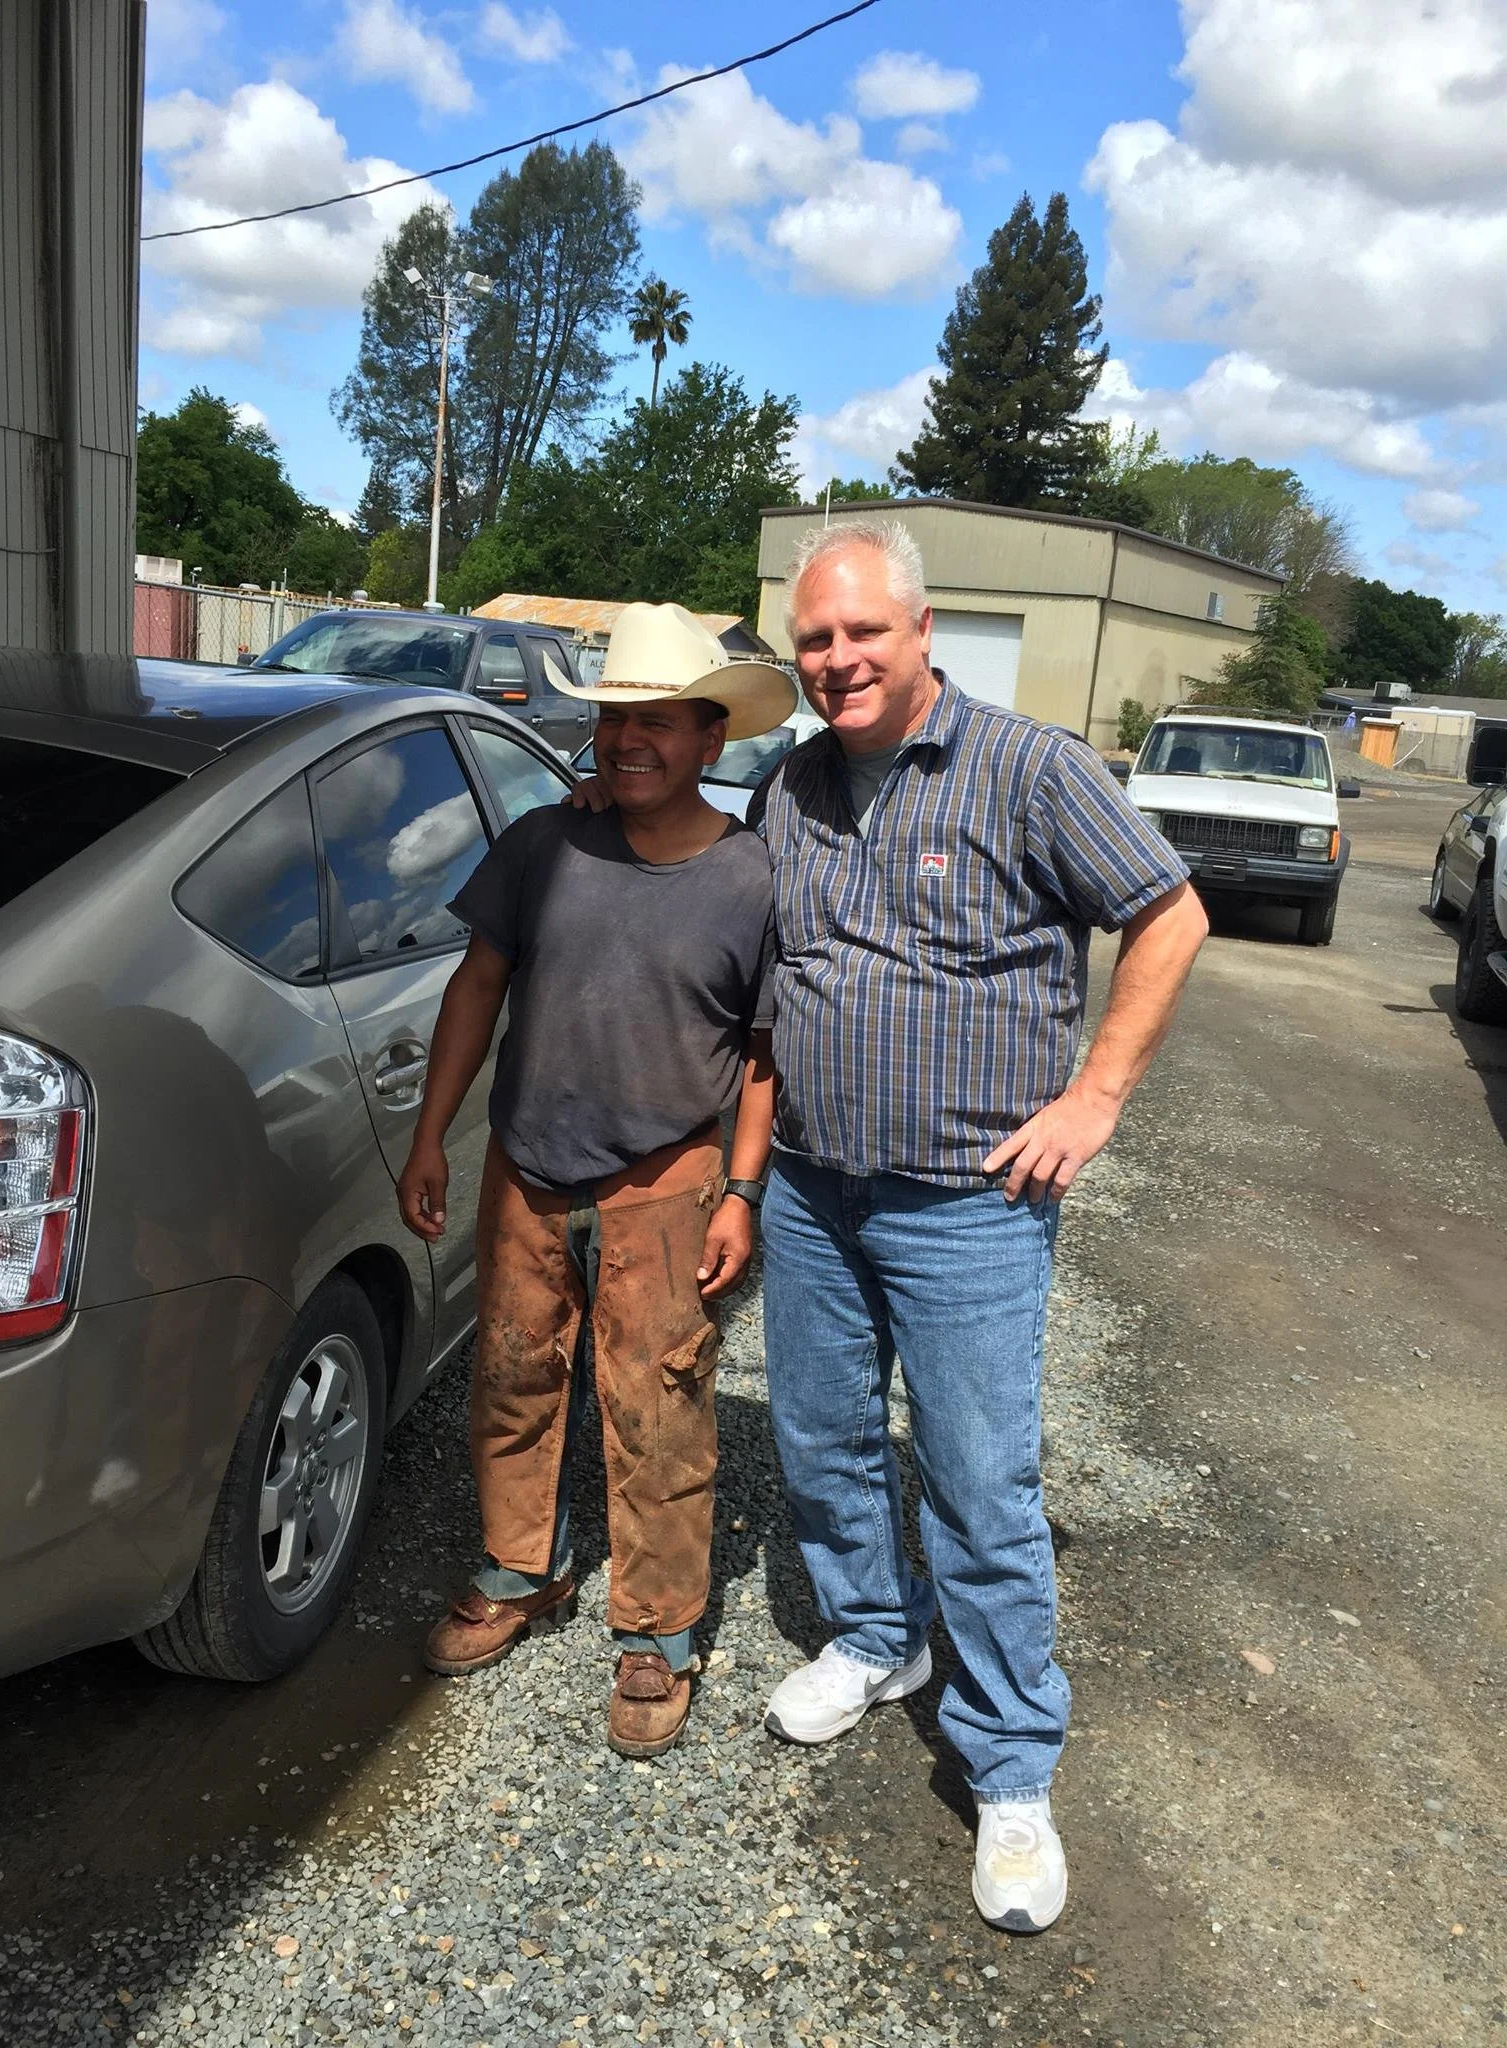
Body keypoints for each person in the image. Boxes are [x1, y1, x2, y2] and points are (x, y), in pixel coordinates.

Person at [752, 520, 1208, 1931]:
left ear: (922, 628)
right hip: (815, 1193)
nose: (838, 662)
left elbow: (1172, 916)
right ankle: (876, 1634)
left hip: (971, 1206)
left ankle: (1012, 1768)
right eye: (815, 641)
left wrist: (1095, 1099)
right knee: (820, 1437)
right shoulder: (792, 782)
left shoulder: (1030, 770)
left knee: (978, 1482)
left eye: (861, 635)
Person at [397, 602, 794, 1758]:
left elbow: (764, 1056)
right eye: (615, 719)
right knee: (514, 1373)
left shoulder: (749, 878)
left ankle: (659, 1631)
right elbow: (475, 988)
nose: (628, 741)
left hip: (667, 1181)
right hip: (527, 1168)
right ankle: (526, 1565)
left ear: (709, 738)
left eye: (657, 722)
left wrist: (742, 1192)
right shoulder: (542, 842)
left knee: (658, 1404)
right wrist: (433, 1136)